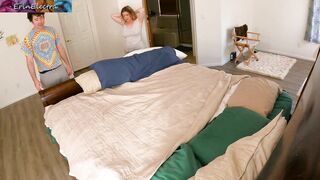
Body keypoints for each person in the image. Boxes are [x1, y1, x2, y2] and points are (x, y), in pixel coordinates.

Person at [21, 12, 73, 91]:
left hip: (61, 69)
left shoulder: (52, 30)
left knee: (70, 93)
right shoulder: (27, 39)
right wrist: (35, 80)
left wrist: (68, 65)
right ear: (31, 21)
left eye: (42, 17)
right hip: (46, 76)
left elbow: (60, 48)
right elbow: (30, 62)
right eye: (36, 19)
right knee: (55, 101)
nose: (40, 21)